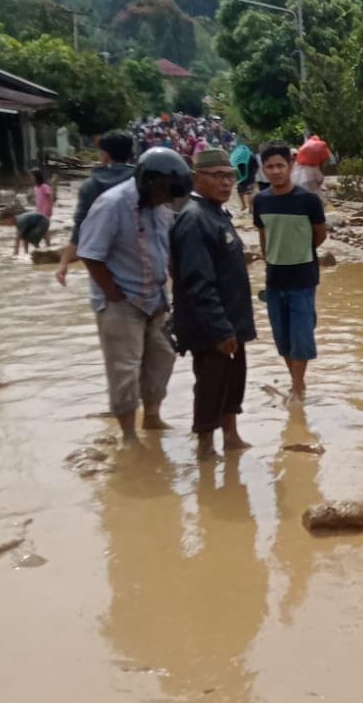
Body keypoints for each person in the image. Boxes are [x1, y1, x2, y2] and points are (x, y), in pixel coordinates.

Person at [77, 148, 191, 444]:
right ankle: (128, 434)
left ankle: (152, 417)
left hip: (155, 296)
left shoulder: (162, 206)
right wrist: (113, 293)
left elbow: (165, 250)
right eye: (164, 194)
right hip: (121, 300)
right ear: (149, 182)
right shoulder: (111, 204)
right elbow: (90, 254)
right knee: (124, 368)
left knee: (163, 357)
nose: (166, 200)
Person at [170, 149, 256, 458]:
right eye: (217, 176)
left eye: (230, 175)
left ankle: (231, 436)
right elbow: (197, 282)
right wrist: (220, 329)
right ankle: (205, 447)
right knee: (210, 384)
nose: (226, 183)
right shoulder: (194, 219)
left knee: (233, 382)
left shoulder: (217, 213)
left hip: (232, 321)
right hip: (211, 327)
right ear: (197, 178)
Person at [253, 141, 327, 399]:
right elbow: (263, 236)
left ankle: (297, 385)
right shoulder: (260, 201)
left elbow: (320, 235)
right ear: (263, 169)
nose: (275, 171)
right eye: (270, 166)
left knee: (302, 337)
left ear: (291, 166)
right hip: (274, 278)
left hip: (303, 278)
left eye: (280, 166)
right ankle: (297, 382)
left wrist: (299, 253)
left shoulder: (308, 200)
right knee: (282, 338)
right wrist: (271, 257)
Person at [56, 130, 136, 286]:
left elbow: (80, 230)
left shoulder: (90, 186)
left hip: (106, 271)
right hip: (142, 267)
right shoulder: (142, 181)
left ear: (105, 155)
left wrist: (63, 263)